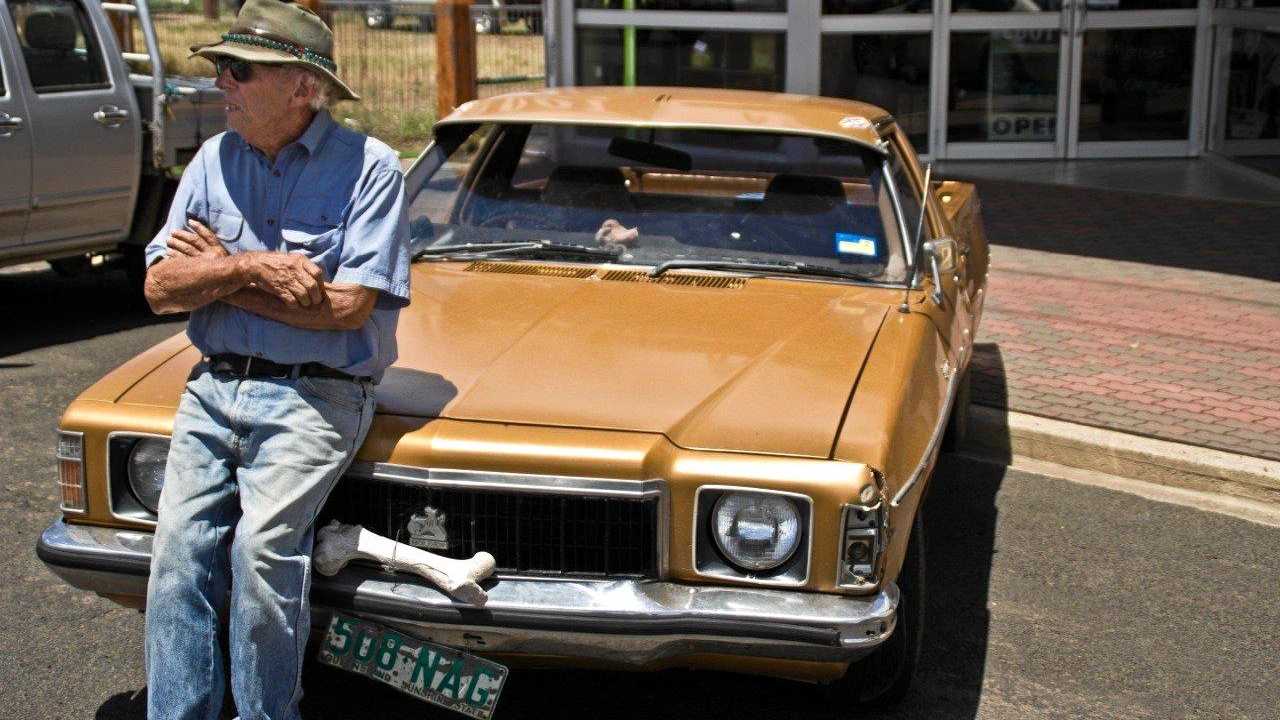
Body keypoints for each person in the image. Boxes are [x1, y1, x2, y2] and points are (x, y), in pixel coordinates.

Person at [140, 1, 409, 717]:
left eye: (238, 68)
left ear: (301, 86)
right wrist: (256, 268)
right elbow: (160, 287)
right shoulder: (212, 159)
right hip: (214, 387)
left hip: (316, 396)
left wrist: (219, 278)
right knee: (174, 564)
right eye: (219, 66)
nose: (219, 81)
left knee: (260, 558)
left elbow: (349, 309)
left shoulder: (371, 169)